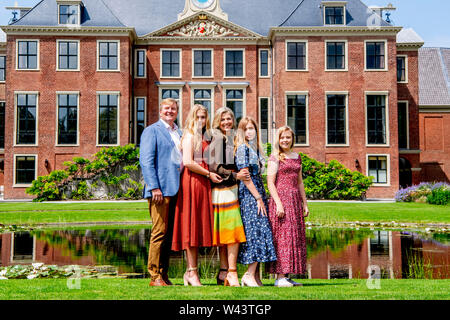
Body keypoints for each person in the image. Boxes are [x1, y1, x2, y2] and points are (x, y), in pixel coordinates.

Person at [171, 104, 222, 286]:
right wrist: (208, 174)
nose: (202, 120)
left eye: (204, 117)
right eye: (198, 117)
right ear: (192, 118)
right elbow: (188, 162)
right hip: (192, 181)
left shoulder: (204, 136)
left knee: (198, 228)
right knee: (191, 227)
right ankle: (192, 272)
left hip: (202, 183)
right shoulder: (190, 136)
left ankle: (189, 272)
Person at [139, 98, 182, 286]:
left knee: (169, 234)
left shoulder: (178, 132)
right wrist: (153, 186)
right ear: (160, 110)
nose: (170, 111)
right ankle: (154, 275)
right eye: (167, 108)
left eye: (173, 109)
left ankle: (164, 274)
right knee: (158, 232)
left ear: (177, 112)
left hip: (176, 190)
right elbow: (146, 161)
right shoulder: (151, 131)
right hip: (159, 190)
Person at [207, 107, 250, 287]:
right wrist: (235, 176)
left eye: (229, 119)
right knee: (231, 232)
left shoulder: (232, 138)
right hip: (224, 189)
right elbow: (213, 165)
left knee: (224, 232)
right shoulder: (217, 138)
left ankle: (224, 271)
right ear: (218, 121)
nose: (226, 122)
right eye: (223, 119)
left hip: (230, 188)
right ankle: (232, 273)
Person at [234, 116, 277, 287]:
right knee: (257, 231)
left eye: (252, 128)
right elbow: (245, 176)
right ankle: (248, 274)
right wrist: (258, 197)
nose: (249, 132)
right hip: (250, 194)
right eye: (246, 129)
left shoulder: (255, 148)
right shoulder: (242, 149)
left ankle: (256, 277)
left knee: (261, 230)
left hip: (258, 191)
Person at [267, 126, 310, 287]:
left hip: (294, 200)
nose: (285, 140)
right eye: (282, 137)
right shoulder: (275, 157)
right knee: (283, 238)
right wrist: (278, 203)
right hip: (281, 200)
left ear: (292, 138)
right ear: (278, 140)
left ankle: (287, 275)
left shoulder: (297, 157)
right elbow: (270, 183)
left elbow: (299, 182)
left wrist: (305, 203)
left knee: (294, 237)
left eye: (288, 137)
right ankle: (279, 277)